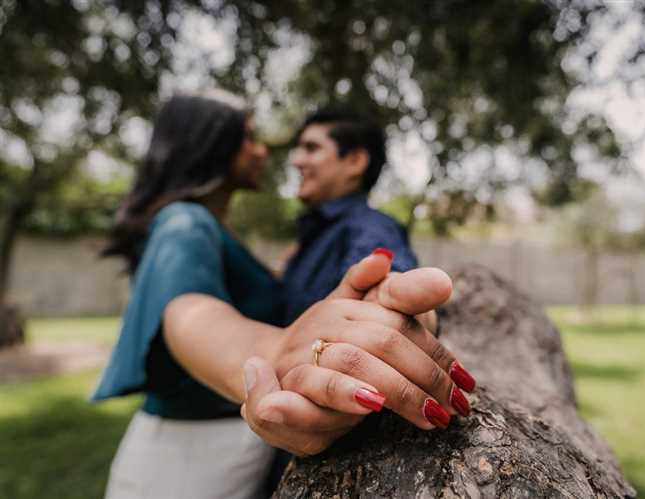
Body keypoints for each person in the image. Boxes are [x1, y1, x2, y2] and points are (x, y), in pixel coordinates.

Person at [92, 90, 475, 499]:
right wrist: (272, 354)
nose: (276, 155)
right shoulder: (186, 222)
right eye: (251, 138)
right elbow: (190, 314)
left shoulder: (364, 228)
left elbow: (387, 277)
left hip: (213, 448)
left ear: (354, 161)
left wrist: (399, 310)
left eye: (310, 147)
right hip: (188, 455)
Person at [282, 108, 420, 326]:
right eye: (298, 149)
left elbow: (385, 298)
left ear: (355, 161)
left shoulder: (369, 228)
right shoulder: (319, 232)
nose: (296, 160)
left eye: (311, 148)